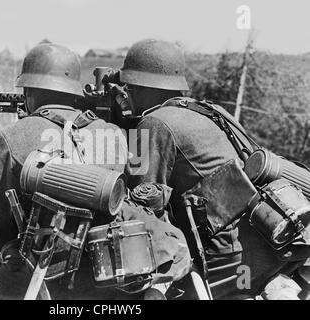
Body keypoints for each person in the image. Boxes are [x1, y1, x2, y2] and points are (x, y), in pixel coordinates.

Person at [0, 42, 191, 300]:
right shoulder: (112, 134)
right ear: (73, 92)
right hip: (108, 277)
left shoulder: (12, 137)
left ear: (30, 91)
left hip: (40, 278)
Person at [121, 38, 310, 299]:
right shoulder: (212, 110)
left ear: (141, 87)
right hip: (274, 241)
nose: (126, 94)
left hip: (228, 260)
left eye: (129, 87)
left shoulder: (153, 123)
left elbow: (143, 210)